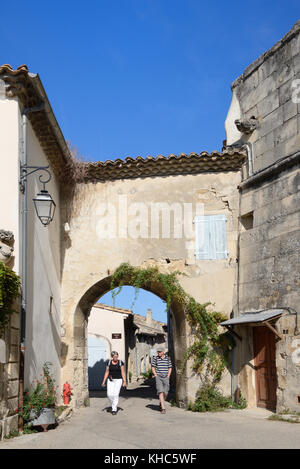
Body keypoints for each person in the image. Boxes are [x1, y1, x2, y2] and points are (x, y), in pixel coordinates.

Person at [101, 351, 126, 415]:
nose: (116, 358)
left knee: (115, 394)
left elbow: (123, 372)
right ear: (112, 357)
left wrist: (124, 381)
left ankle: (114, 409)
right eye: (114, 356)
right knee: (109, 394)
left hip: (118, 380)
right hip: (110, 380)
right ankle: (113, 404)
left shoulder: (120, 363)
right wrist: (103, 381)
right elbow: (106, 372)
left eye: (117, 356)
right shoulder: (109, 363)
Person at [151, 346, 172, 414]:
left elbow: (170, 367)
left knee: (165, 392)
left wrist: (168, 376)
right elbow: (153, 367)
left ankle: (161, 401)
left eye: (160, 352)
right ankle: (163, 408)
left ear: (163, 352)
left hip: (166, 377)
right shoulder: (155, 358)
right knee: (160, 391)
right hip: (159, 377)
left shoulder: (168, 358)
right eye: (158, 351)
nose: (158, 353)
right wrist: (156, 375)